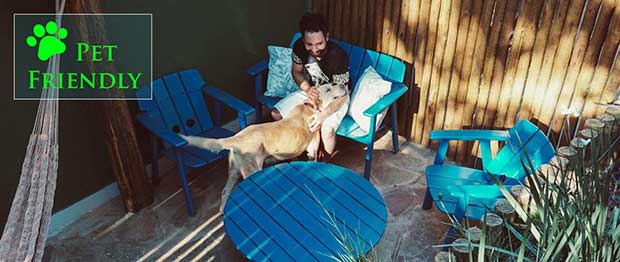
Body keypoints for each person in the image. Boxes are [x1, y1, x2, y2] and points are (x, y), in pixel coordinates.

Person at [271, 13, 350, 161]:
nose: (314, 49)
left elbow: (343, 94)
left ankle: (322, 165)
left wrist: (323, 115)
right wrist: (308, 89)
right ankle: (294, 152)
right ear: (302, 39)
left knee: (327, 129)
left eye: (319, 43)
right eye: (309, 44)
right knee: (277, 113)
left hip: (336, 96)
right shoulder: (299, 46)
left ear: (326, 37)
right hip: (313, 90)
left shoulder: (339, 55)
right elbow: (296, 72)